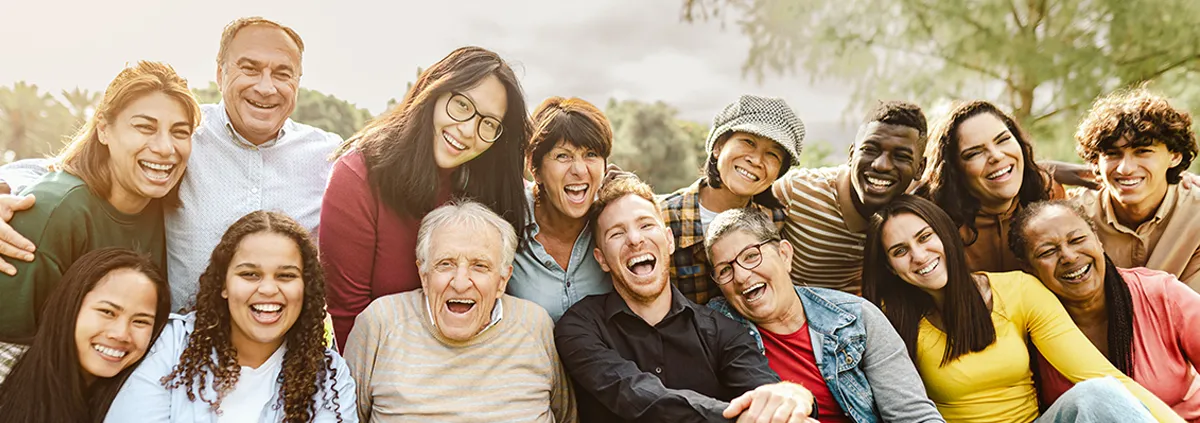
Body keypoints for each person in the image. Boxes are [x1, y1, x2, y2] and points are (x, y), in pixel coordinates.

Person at [0, 17, 343, 313]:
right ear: (220, 74)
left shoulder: (327, 157)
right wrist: (6, 190)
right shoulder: (184, 134)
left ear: (297, 82)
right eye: (249, 68)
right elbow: (66, 169)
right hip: (174, 351)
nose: (266, 87)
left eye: (283, 73)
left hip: (278, 353)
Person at [862, 195, 1180, 423]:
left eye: (925, 237)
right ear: (890, 267)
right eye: (900, 250)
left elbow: (1100, 375)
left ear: (945, 234)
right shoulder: (889, 320)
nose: (919, 255)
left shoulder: (1017, 290)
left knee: (1098, 393)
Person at [556, 174, 819, 423]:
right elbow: (633, 392)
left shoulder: (723, 332)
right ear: (601, 259)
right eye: (617, 233)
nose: (635, 239)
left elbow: (765, 391)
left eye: (646, 225)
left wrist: (791, 398)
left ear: (669, 241)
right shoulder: (579, 327)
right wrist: (739, 418)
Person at [321, 46, 531, 349]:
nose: (469, 130)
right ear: (433, 93)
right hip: (390, 369)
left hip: (480, 363)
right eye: (461, 105)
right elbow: (348, 317)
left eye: (488, 124)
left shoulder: (489, 182)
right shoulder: (359, 177)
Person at [0, 61, 199, 341]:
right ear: (104, 129)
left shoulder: (171, 206)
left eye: (180, 132)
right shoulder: (55, 212)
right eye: (145, 127)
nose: (165, 148)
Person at [104, 211, 356, 422]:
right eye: (250, 274)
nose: (268, 289)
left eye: (286, 276)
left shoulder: (328, 375)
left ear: (306, 288)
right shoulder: (173, 344)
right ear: (223, 285)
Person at [705, 208, 944, 423]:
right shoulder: (713, 329)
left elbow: (913, 415)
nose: (741, 276)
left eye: (751, 256)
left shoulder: (856, 318)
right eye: (725, 270)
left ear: (785, 255)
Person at [345, 200, 575, 422]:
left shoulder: (535, 325)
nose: (460, 282)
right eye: (445, 263)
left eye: (480, 266)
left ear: (502, 281)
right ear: (424, 276)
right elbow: (342, 416)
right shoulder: (381, 323)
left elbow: (567, 417)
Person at [1010, 200, 1200, 420]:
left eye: (1077, 240)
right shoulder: (1025, 329)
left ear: (1098, 240)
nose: (1069, 256)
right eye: (1047, 252)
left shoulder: (1160, 294)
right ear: (1028, 268)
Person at [659, 94, 804, 304]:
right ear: (718, 147)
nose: (756, 160)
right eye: (748, 142)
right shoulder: (662, 217)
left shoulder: (775, 221)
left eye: (772, 154)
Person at [773, 101, 928, 294]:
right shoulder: (796, 192)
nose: (882, 165)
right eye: (870, 150)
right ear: (852, 154)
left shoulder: (917, 218)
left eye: (901, 156)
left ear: (920, 168)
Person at [0, 248, 171, 422]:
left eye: (141, 321)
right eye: (107, 312)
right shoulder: (4, 370)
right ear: (69, 307)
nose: (121, 334)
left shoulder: (147, 403)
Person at [1069, 88, 1200, 290]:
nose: (1125, 168)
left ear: (1174, 156)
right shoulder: (1073, 216)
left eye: (1143, 152)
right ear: (1096, 161)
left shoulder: (1195, 214)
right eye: (1112, 154)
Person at [917, 100, 1063, 273]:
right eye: (974, 153)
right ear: (954, 170)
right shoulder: (931, 224)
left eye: (1003, 140)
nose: (997, 156)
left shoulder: (1049, 192)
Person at [509, 97, 613, 320]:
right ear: (535, 170)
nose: (579, 170)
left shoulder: (615, 220)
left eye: (591, 154)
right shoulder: (507, 220)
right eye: (562, 156)